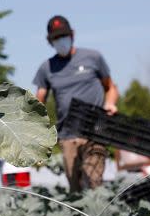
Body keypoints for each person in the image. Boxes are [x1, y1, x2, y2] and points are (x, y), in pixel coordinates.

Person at [33, 15, 119, 192]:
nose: (60, 41)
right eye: (56, 38)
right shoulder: (46, 68)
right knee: (75, 188)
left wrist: (110, 104)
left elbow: (110, 87)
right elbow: (38, 101)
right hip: (67, 135)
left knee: (93, 181)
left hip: (95, 130)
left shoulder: (92, 57)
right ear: (50, 41)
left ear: (72, 34)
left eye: (63, 36)